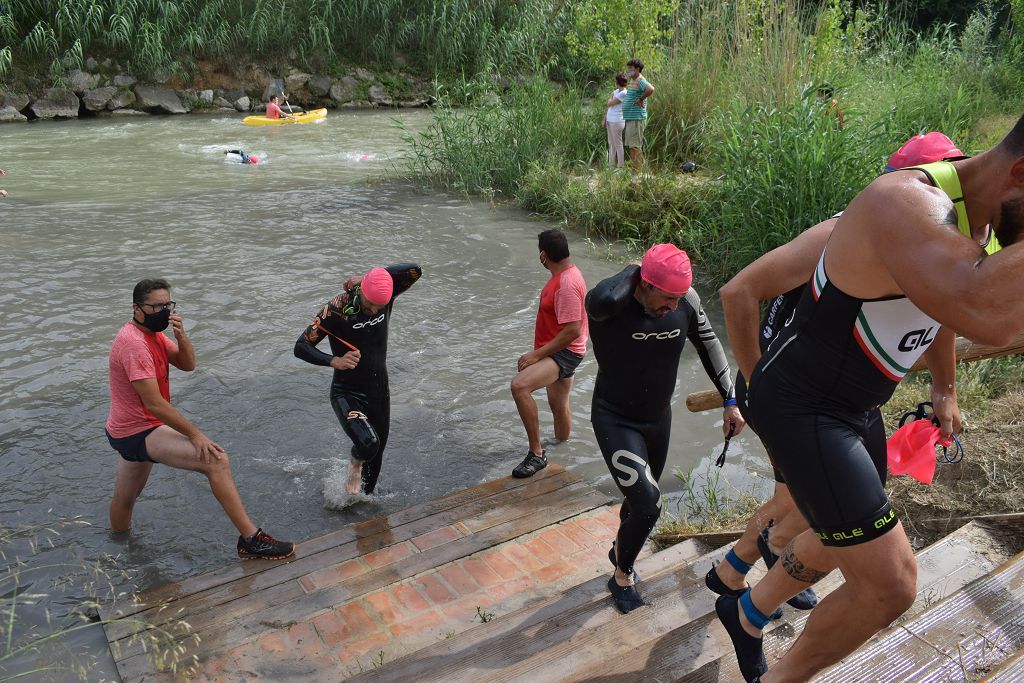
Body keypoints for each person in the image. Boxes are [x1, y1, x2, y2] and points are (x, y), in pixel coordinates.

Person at [716, 115, 1024, 683]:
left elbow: (949, 305)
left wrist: (945, 386)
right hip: (804, 403)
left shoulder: (975, 225)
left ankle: (749, 609)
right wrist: (757, 391)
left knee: (839, 535)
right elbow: (990, 313)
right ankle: (759, 626)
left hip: (856, 407)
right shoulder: (897, 205)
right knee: (891, 583)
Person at [706, 132, 967, 616]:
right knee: (805, 502)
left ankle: (734, 568)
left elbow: (940, 311)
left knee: (806, 499)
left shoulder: (936, 247)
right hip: (782, 387)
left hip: (832, 397)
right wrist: (756, 387)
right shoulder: (844, 233)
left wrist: (944, 387)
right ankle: (760, 568)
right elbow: (739, 292)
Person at [586, 243, 744, 613]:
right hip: (615, 417)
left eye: (678, 298)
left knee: (638, 502)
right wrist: (636, 268)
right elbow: (601, 298)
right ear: (643, 282)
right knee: (650, 503)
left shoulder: (685, 301)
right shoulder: (611, 305)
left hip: (658, 419)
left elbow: (708, 342)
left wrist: (730, 400)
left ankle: (619, 548)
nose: (673, 307)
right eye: (666, 297)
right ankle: (622, 574)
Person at [105, 279, 294, 560]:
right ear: (136, 308)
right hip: (138, 429)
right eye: (155, 306)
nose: (163, 311)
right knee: (216, 461)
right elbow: (155, 404)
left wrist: (182, 337)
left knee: (126, 498)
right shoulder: (134, 344)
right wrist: (196, 435)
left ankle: (116, 551)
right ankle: (251, 539)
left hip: (126, 427)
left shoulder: (153, 335)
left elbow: (187, 364)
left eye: (167, 305)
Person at [294, 264, 422, 495]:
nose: (373, 310)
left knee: (377, 451)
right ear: (361, 292)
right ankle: (354, 464)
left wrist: (368, 277)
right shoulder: (336, 309)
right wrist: (334, 361)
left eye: (379, 306)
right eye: (369, 304)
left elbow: (414, 271)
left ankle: (364, 505)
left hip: (378, 390)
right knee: (367, 444)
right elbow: (301, 347)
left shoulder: (387, 294)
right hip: (347, 393)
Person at [510, 229, 589, 478]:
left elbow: (572, 330)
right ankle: (562, 449)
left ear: (544, 255)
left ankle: (537, 454)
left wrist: (536, 356)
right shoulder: (570, 273)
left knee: (519, 387)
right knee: (558, 403)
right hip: (562, 350)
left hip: (563, 352)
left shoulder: (565, 284)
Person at [621, 58, 654, 170]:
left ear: (637, 69)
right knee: (632, 146)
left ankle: (639, 172)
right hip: (631, 118)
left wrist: (641, 99)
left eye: (630, 68)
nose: (628, 71)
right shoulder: (632, 80)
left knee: (635, 146)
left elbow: (650, 89)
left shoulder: (640, 80)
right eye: (628, 68)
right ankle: (635, 170)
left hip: (637, 118)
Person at [602, 74, 628, 167]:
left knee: (618, 144)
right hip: (610, 119)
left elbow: (609, 103)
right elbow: (609, 106)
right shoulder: (616, 91)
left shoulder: (624, 93)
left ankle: (620, 166)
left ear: (618, 82)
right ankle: (611, 165)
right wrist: (604, 118)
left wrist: (611, 97)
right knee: (611, 143)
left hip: (617, 121)